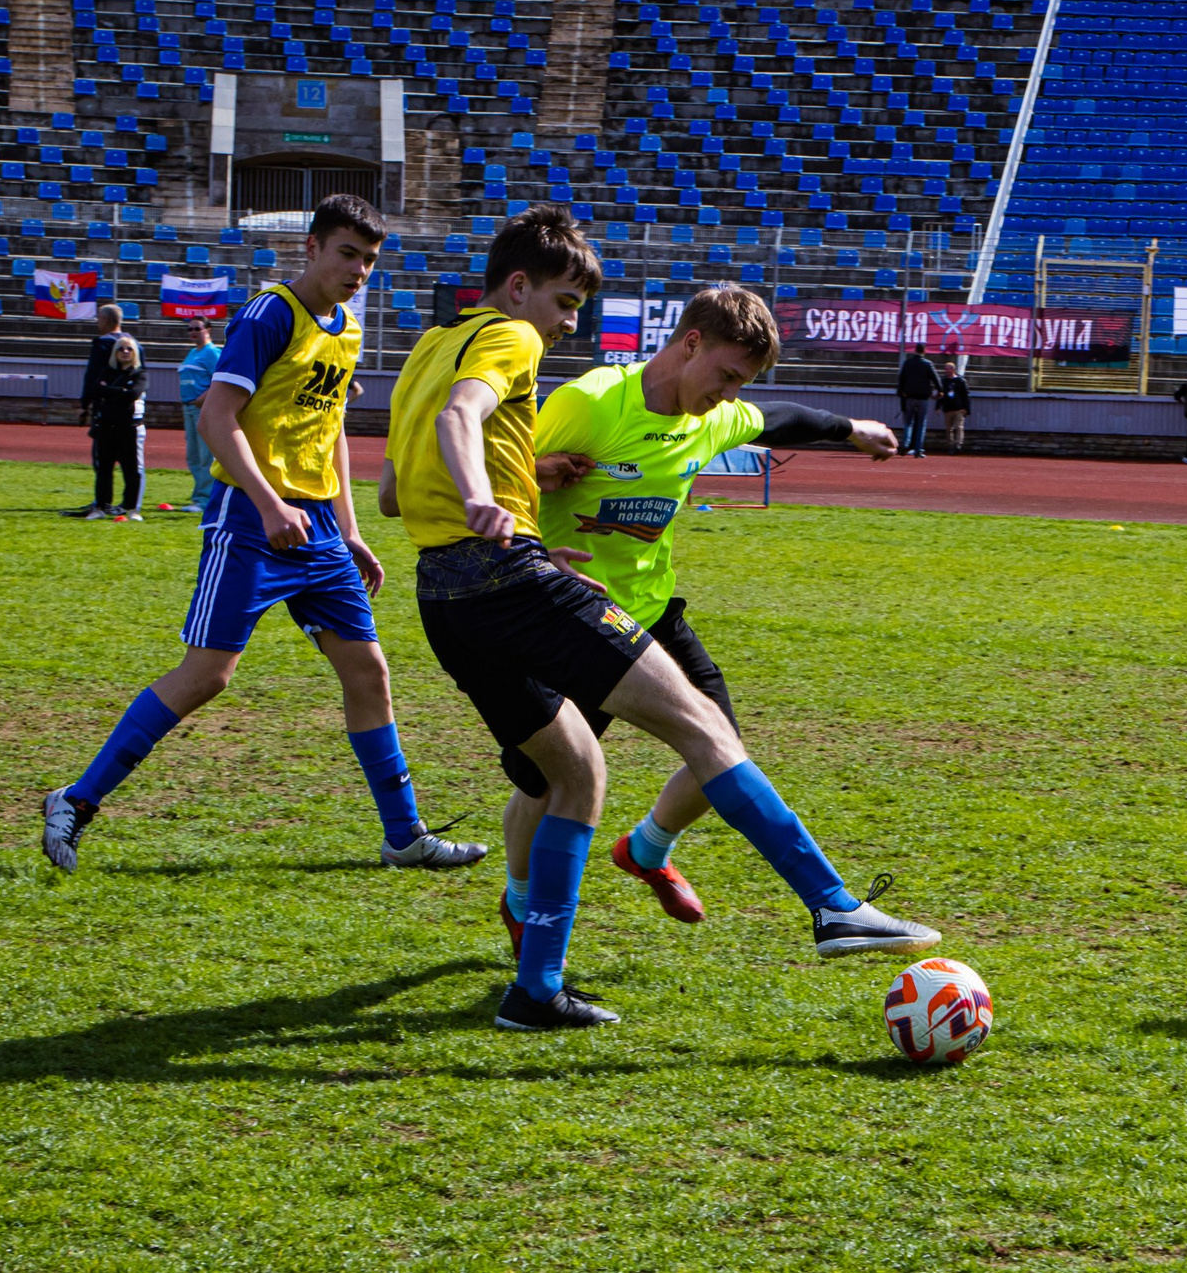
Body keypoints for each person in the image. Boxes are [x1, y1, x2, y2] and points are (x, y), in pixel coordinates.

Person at [383, 207, 937, 1034]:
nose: (570, 324)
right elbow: (465, 423)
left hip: (451, 590)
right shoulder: (532, 354)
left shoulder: (430, 345)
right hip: (514, 583)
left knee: (579, 772)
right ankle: (832, 905)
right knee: (690, 736)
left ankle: (537, 987)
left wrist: (854, 432)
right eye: (566, 303)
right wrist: (493, 507)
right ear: (520, 286)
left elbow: (397, 488)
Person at [41, 194, 484, 878]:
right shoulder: (270, 313)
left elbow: (329, 428)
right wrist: (269, 501)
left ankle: (405, 836)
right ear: (311, 248)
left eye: (370, 260)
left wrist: (350, 527)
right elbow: (219, 417)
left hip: (317, 530)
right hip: (251, 522)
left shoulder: (347, 328)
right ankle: (75, 799)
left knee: (369, 672)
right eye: (347, 253)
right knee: (208, 675)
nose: (360, 269)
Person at [492, 283, 903, 951]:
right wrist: (535, 474)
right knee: (545, 781)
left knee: (721, 754)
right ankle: (518, 897)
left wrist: (851, 430)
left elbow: (780, 419)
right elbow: (490, 475)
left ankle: (646, 849)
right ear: (690, 344)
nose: (731, 395)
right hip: (570, 618)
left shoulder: (712, 418)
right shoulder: (591, 403)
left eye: (743, 382)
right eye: (727, 375)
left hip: (650, 615)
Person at [65, 304, 130, 517]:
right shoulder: (132, 343)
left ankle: (102, 502)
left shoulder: (102, 344)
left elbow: (92, 376)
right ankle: (128, 504)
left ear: (108, 320)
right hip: (128, 408)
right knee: (130, 462)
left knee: (103, 459)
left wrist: (85, 404)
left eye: (99, 318)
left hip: (105, 408)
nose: (97, 322)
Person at [81, 334, 148, 520]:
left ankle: (131, 508)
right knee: (104, 469)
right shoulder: (106, 371)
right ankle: (102, 506)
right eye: (121, 348)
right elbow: (97, 390)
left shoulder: (140, 373)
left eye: (129, 349)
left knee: (131, 469)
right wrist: (121, 392)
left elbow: (133, 393)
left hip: (128, 427)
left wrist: (111, 392)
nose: (125, 352)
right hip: (106, 427)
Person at [177, 316, 223, 512]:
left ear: (208, 329)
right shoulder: (192, 352)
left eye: (197, 328)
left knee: (205, 456)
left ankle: (205, 501)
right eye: (190, 329)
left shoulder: (212, 353)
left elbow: (221, 379)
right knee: (193, 456)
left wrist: (203, 398)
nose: (193, 332)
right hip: (188, 409)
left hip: (202, 409)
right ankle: (198, 497)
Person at [895, 342, 937, 457]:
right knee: (921, 424)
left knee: (908, 423)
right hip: (923, 397)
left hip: (909, 396)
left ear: (915, 350)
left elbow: (901, 378)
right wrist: (940, 390)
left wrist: (901, 393)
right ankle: (918, 450)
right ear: (924, 351)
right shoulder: (928, 364)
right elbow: (935, 378)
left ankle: (905, 444)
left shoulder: (907, 363)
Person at [937, 353, 971, 454]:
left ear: (953, 369)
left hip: (959, 408)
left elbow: (966, 395)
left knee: (959, 427)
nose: (946, 371)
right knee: (948, 429)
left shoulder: (961, 381)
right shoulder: (943, 381)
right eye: (945, 369)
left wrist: (967, 409)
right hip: (948, 408)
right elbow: (940, 394)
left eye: (948, 369)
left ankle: (958, 444)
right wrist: (938, 406)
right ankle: (950, 445)